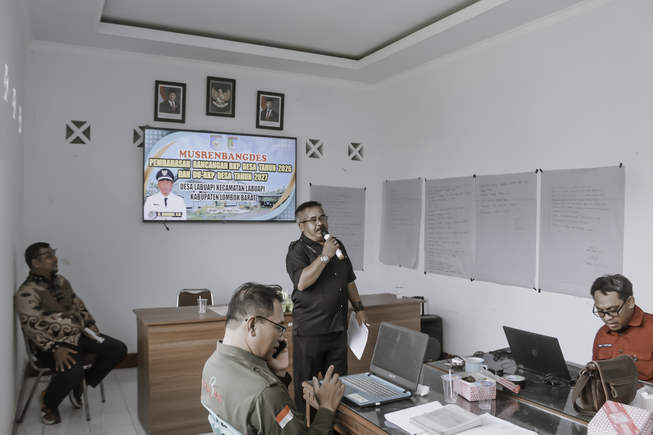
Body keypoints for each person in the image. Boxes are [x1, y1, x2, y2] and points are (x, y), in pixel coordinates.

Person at [201, 282, 344, 434]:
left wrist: (279, 375)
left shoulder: (211, 365)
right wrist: (326, 407)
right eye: (278, 327)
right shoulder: (265, 393)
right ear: (252, 325)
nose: (281, 338)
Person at [14, 243, 127, 425]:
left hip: (79, 336)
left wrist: (90, 324)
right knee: (73, 373)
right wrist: (54, 348)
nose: (55, 258)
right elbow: (31, 327)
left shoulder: (61, 281)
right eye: (49, 255)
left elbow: (78, 304)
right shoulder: (27, 292)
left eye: (54, 253)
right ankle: (48, 403)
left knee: (118, 349)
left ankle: (80, 384)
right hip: (52, 345)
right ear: (36, 262)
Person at [285, 201, 368, 411]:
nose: (319, 223)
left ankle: (335, 424)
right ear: (302, 226)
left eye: (322, 217)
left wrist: (359, 308)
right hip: (310, 331)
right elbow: (302, 282)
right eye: (313, 220)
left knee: (339, 386)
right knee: (307, 388)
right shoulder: (296, 251)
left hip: (337, 329)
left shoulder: (336, 245)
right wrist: (325, 256)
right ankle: (306, 427)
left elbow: (349, 280)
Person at [591, 274, 653, 381]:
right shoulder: (602, 334)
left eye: (613, 310)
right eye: (600, 311)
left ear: (630, 302)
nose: (607, 318)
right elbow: (596, 377)